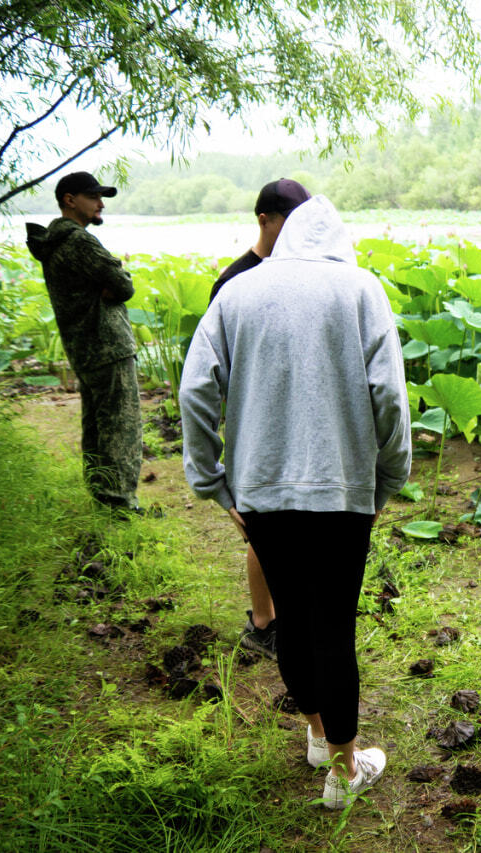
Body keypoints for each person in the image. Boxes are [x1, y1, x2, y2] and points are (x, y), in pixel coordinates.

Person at [180, 194, 411, 809]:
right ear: (339, 240)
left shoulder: (237, 293)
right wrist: (387, 479)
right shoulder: (361, 290)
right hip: (341, 493)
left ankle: (316, 734)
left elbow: (196, 390)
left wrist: (212, 480)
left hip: (261, 493)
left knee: (291, 619)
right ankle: (343, 771)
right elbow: (389, 397)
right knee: (334, 624)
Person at [209, 178, 313, 661]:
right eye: (287, 223)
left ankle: (287, 614)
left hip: (301, 414)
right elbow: (213, 369)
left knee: (296, 522)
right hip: (252, 419)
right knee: (262, 527)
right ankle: (264, 621)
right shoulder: (232, 282)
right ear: (264, 219)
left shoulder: (309, 274)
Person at [27, 171, 144, 514]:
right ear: (70, 200)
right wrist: (117, 277)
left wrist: (111, 279)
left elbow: (111, 281)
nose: (100, 204)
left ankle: (103, 497)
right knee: (122, 426)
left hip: (83, 347)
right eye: (94, 197)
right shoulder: (79, 241)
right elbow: (123, 286)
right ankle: (120, 506)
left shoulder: (54, 243)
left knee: (95, 426)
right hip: (108, 345)